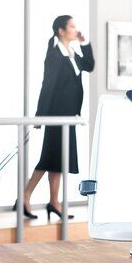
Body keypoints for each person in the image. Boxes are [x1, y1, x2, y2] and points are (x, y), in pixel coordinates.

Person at [20, 15, 94, 220]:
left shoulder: (71, 53)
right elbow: (48, 84)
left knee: (57, 159)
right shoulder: (54, 54)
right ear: (61, 31)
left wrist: (84, 43)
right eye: (72, 26)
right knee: (50, 157)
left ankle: (53, 202)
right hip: (56, 115)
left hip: (68, 115)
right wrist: (40, 115)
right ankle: (26, 195)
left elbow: (89, 65)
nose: (76, 30)